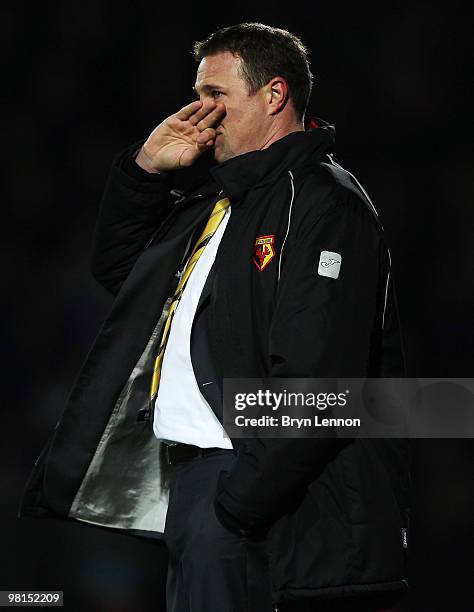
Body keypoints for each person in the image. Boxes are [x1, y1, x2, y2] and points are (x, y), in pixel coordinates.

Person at [19, 23, 410, 612]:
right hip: (203, 485)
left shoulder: (324, 203)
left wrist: (240, 503)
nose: (199, 113)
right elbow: (126, 274)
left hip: (257, 491)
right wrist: (146, 170)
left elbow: (319, 376)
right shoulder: (219, 201)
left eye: (215, 95)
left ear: (274, 95)